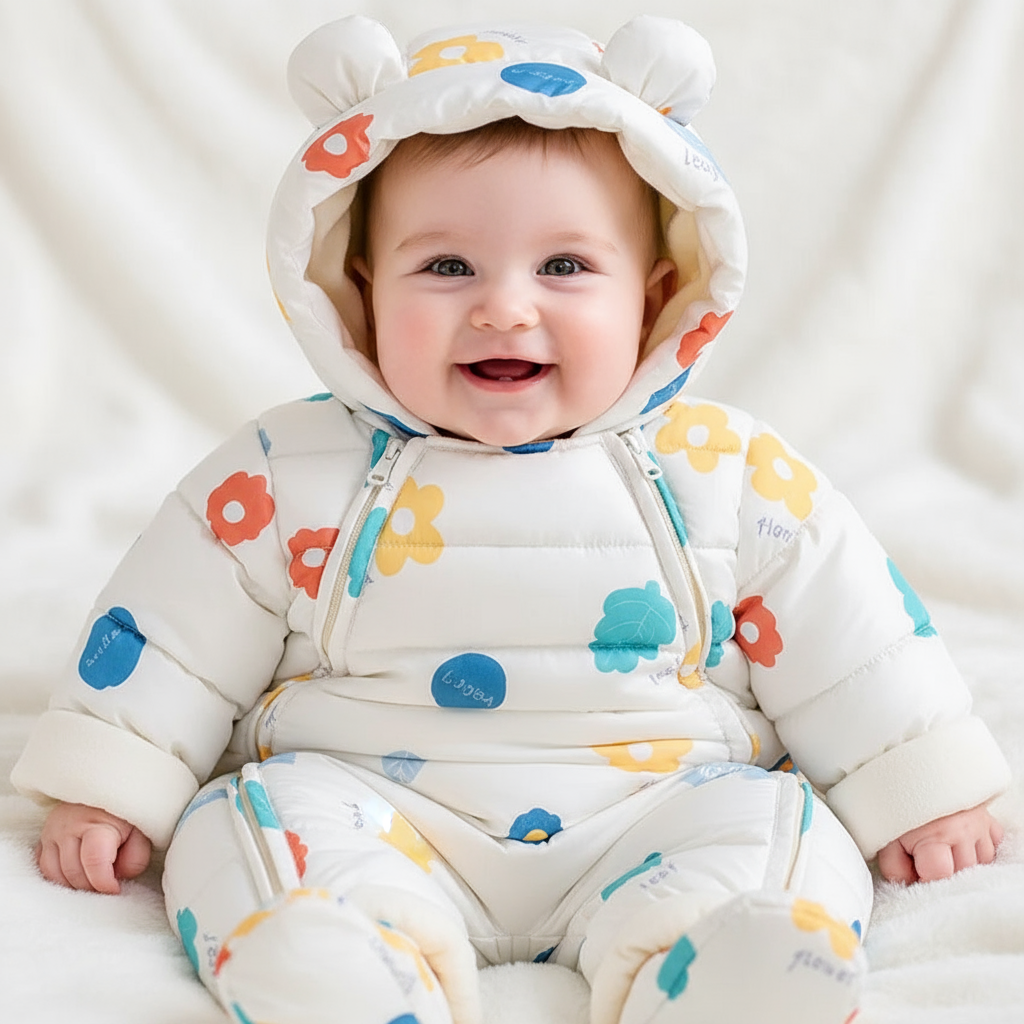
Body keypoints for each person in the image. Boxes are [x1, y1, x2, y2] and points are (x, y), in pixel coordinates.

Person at [12, 16, 1010, 1024]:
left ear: (657, 295)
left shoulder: (726, 470)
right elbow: (168, 630)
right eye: (445, 267)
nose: (502, 307)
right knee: (249, 827)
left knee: (774, 826)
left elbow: (852, 635)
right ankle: (345, 965)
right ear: (357, 293)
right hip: (375, 801)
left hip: (662, 804)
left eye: (565, 267)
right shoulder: (285, 470)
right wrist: (115, 778)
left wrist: (912, 782)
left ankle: (714, 972)